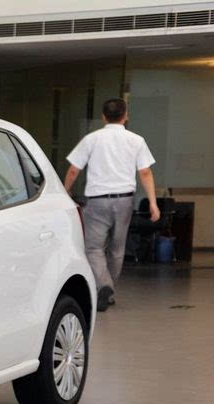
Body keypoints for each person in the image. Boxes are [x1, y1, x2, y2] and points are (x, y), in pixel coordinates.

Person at [64, 98, 159, 312]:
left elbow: (74, 169)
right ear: (125, 116)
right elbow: (145, 172)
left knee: (94, 248)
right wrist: (153, 203)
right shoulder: (136, 140)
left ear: (104, 116)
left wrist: (65, 190)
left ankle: (103, 285)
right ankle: (109, 289)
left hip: (97, 201)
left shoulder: (92, 139)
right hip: (125, 200)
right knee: (117, 248)